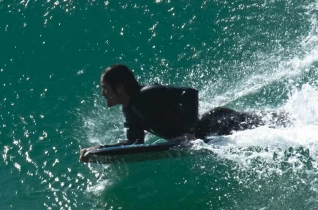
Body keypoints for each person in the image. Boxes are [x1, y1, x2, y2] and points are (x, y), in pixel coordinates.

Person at [79, 64, 265, 162]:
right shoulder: (130, 110)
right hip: (211, 133)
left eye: (105, 88)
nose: (103, 93)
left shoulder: (147, 94)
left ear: (119, 87)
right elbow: (134, 143)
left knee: (277, 123)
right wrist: (101, 149)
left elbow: (189, 93)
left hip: (219, 122)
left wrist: (189, 132)